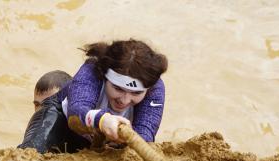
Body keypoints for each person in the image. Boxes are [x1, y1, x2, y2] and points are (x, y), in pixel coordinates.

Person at [19, 39, 168, 153]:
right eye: (117, 88)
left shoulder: (155, 87)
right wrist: (102, 120)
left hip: (97, 139)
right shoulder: (91, 69)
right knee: (31, 152)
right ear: (105, 77)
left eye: (136, 93)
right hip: (61, 119)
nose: (124, 100)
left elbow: (145, 134)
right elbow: (77, 111)